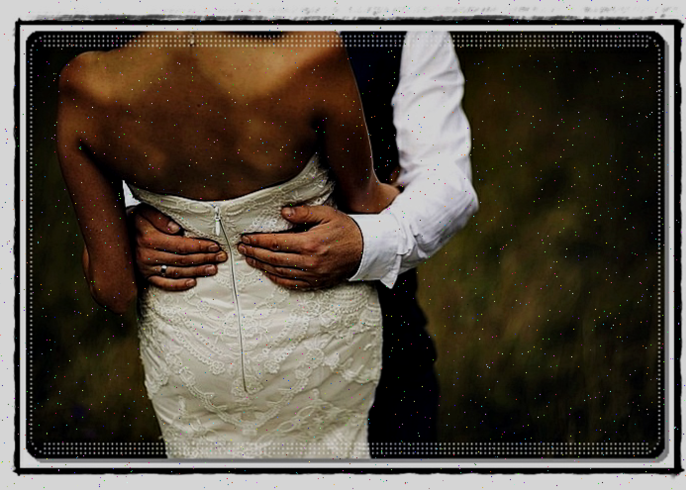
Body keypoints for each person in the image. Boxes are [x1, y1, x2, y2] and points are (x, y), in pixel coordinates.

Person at [129, 31, 479, 457]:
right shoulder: (158, 28)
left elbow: (446, 179)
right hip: (207, 366)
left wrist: (365, 243)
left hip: (378, 343)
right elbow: (133, 125)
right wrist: (131, 221)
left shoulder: (408, 25)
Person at [57, 31, 400, 459]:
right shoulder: (311, 55)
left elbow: (113, 289)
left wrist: (124, 230)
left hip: (194, 353)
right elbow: (365, 203)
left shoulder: (87, 84)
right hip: (319, 345)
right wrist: (401, 191)